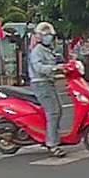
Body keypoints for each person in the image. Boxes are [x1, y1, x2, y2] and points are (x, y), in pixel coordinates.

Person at [28, 22, 65, 157]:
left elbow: (57, 60)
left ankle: (54, 136)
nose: (49, 37)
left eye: (50, 35)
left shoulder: (49, 49)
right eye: (46, 35)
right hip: (40, 84)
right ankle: (52, 144)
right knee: (53, 112)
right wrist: (54, 68)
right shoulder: (37, 50)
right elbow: (38, 68)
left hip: (49, 82)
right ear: (40, 36)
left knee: (58, 110)